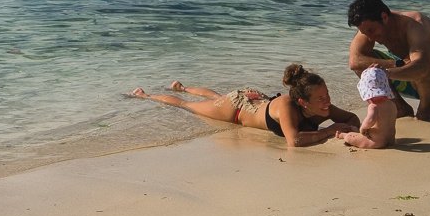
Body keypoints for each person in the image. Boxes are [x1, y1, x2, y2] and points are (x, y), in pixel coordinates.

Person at [129, 64, 359, 147]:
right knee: (186, 105)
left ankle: (183, 85)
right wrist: (329, 131)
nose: (327, 101)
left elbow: (352, 120)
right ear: (302, 102)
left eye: (326, 95)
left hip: (256, 99)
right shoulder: (289, 107)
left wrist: (352, 132)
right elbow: (294, 140)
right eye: (321, 98)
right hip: (236, 107)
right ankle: (146, 95)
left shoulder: (321, 109)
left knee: (214, 97)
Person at [347, 0, 430, 121]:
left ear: (384, 17)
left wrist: (385, 74)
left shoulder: (415, 24)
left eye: (371, 31)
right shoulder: (368, 25)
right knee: (364, 65)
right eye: (365, 33)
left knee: (422, 63)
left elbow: (422, 66)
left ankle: (425, 110)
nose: (370, 38)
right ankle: (400, 107)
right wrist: (395, 64)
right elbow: (354, 61)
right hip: (406, 76)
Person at [336, 66, 397, 150]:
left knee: (351, 137)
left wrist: (363, 128)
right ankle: (355, 132)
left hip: (376, 142)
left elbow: (370, 120)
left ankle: (343, 135)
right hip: (390, 140)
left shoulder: (374, 106)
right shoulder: (391, 104)